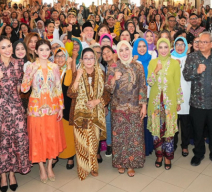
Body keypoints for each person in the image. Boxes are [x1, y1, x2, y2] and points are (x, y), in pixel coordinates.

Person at [0, 37, 31, 192]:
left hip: (15, 107)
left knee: (15, 139)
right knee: (1, 142)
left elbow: (19, 86)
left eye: (9, 46)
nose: (7, 50)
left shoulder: (19, 64)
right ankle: (3, 176)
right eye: (3, 47)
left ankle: (12, 174)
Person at [21, 39, 65, 183]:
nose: (44, 53)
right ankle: (41, 167)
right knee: (38, 137)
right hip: (36, 108)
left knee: (52, 136)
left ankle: (50, 166)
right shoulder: (31, 67)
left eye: (47, 50)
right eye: (41, 50)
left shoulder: (54, 67)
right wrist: (29, 74)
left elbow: (58, 88)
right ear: (36, 51)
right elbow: (24, 89)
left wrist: (61, 107)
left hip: (52, 107)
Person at [183, 32, 212, 169]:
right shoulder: (192, 57)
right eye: (199, 42)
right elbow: (186, 75)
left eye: (204, 42)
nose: (200, 44)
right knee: (198, 131)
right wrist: (196, 71)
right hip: (198, 102)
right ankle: (198, 154)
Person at [68, 48, 111, 180]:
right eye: (85, 58)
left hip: (95, 115)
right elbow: (70, 93)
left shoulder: (101, 74)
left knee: (93, 142)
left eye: (91, 57)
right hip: (80, 115)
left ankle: (93, 167)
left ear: (95, 59)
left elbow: (107, 93)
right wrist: (78, 77)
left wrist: (98, 101)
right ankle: (83, 169)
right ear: (81, 60)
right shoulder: (77, 73)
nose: (88, 60)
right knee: (81, 143)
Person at [106, 40, 147, 177]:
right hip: (118, 108)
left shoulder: (138, 66)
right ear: (118, 52)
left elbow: (142, 86)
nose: (124, 53)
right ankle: (120, 163)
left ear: (130, 50)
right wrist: (113, 80)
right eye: (121, 50)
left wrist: (144, 105)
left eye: (126, 49)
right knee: (120, 137)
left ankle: (131, 164)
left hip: (135, 107)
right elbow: (108, 89)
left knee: (134, 136)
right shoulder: (113, 67)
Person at [147, 38, 183, 170]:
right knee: (156, 130)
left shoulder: (174, 63)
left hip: (169, 102)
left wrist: (178, 101)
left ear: (169, 48)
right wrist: (155, 70)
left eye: (165, 47)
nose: (163, 50)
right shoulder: (152, 63)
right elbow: (150, 82)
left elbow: (177, 83)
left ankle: (168, 156)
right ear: (157, 48)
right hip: (155, 103)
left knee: (169, 130)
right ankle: (159, 155)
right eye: (160, 47)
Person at [133, 37, 156, 157]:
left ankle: (148, 147)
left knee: (148, 122)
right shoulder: (133, 62)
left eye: (144, 46)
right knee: (139, 122)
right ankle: (139, 148)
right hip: (137, 97)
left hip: (150, 94)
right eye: (139, 46)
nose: (142, 49)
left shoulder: (151, 60)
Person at [54, 48, 76, 170]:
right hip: (53, 106)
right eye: (58, 56)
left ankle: (70, 156)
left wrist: (68, 66)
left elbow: (67, 84)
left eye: (63, 56)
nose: (60, 59)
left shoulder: (69, 71)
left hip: (66, 106)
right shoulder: (51, 70)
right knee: (57, 132)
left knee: (68, 132)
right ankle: (56, 155)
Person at [172, 37, 192, 157]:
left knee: (185, 123)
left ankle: (185, 145)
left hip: (187, 94)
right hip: (173, 95)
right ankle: (173, 144)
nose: (179, 47)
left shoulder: (190, 58)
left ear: (186, 46)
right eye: (177, 44)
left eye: (182, 44)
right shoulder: (170, 58)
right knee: (173, 122)